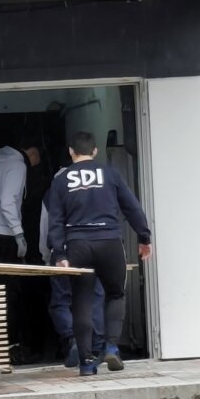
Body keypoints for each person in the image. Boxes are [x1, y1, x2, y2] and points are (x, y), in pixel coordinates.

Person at [46, 131, 152, 376]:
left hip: (77, 245)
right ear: (95, 151)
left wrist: (60, 254)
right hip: (109, 242)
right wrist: (144, 237)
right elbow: (132, 207)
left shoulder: (61, 180)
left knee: (81, 300)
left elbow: (55, 220)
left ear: (71, 151)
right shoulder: (110, 174)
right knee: (115, 294)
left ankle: (86, 362)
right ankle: (111, 347)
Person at [40, 188, 107, 369]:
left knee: (61, 300)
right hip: (93, 248)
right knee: (94, 297)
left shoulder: (54, 190)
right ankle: (96, 347)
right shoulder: (97, 185)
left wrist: (47, 255)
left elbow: (46, 226)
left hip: (63, 250)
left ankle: (72, 339)